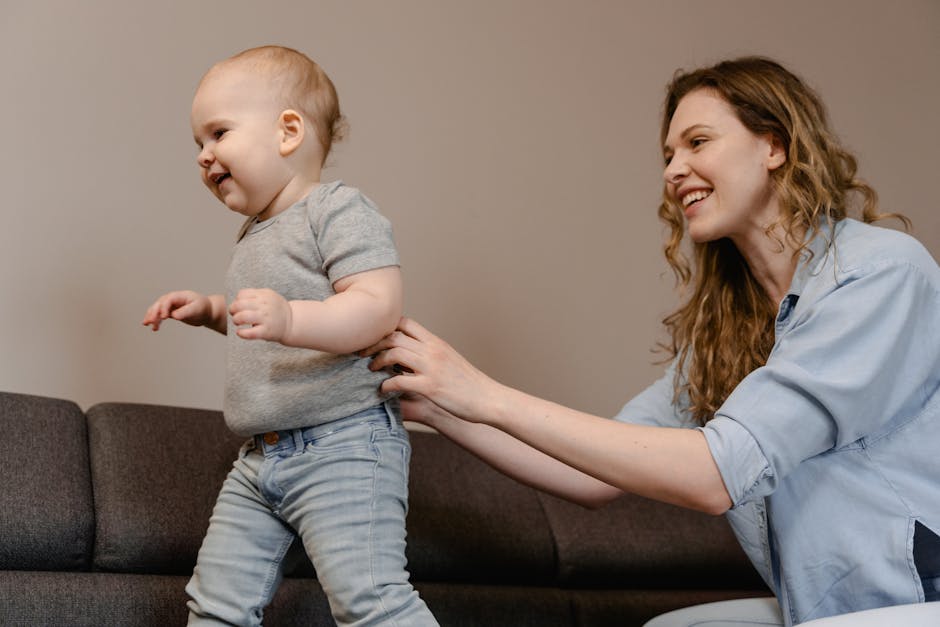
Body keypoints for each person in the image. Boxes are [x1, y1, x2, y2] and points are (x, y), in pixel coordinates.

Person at [363, 56, 940, 626]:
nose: (673, 169)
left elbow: (716, 477)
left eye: (698, 142)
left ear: (773, 146)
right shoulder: (729, 335)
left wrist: (483, 393)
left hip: (916, 601)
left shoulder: (878, 275)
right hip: (824, 612)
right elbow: (592, 477)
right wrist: (439, 406)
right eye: (669, 155)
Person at [142, 45, 437, 626]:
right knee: (215, 604)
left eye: (218, 133)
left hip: (344, 442)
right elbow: (265, 317)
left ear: (288, 131)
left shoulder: (338, 208)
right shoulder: (256, 232)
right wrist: (211, 309)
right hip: (261, 457)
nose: (204, 156)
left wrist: (290, 319)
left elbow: (377, 308)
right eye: (197, 144)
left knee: (370, 601)